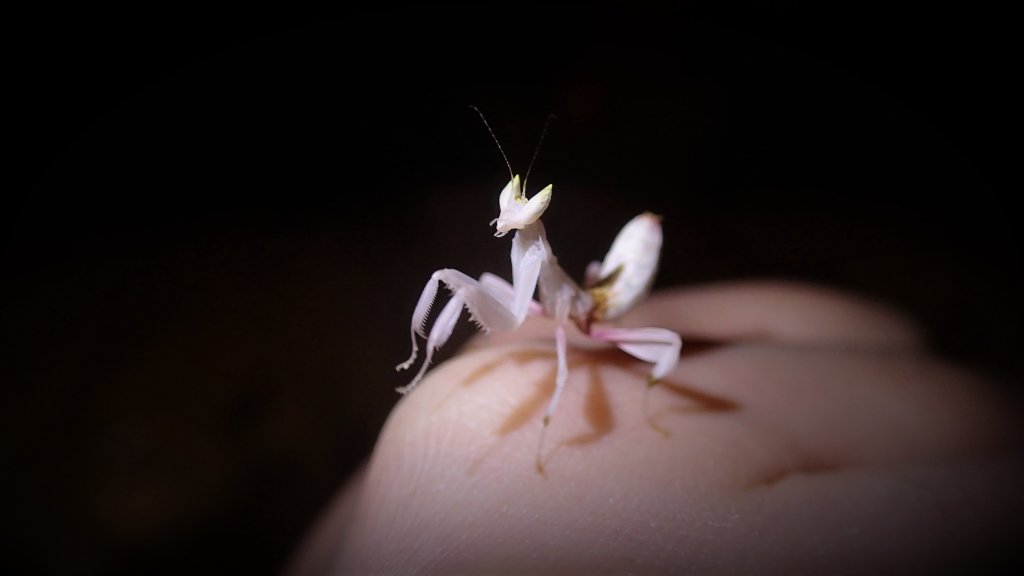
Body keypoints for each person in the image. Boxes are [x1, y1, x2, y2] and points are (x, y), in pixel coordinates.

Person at [290, 282, 1022, 574]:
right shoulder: (515, 269)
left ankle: (640, 406)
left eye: (524, 207)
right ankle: (419, 355)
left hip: (606, 310)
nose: (510, 217)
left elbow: (562, 337)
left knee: (653, 350)